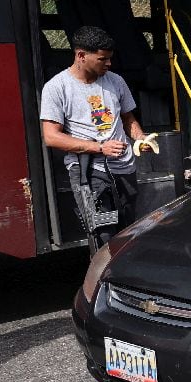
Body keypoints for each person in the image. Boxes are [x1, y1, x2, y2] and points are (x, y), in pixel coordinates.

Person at [39, 25, 149, 245]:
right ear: (81, 56)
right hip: (88, 174)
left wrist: (140, 138)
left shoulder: (116, 81)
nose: (108, 63)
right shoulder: (56, 88)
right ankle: (103, 269)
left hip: (124, 169)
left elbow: (128, 119)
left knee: (127, 232)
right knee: (103, 235)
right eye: (102, 59)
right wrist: (99, 148)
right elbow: (51, 137)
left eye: (109, 58)